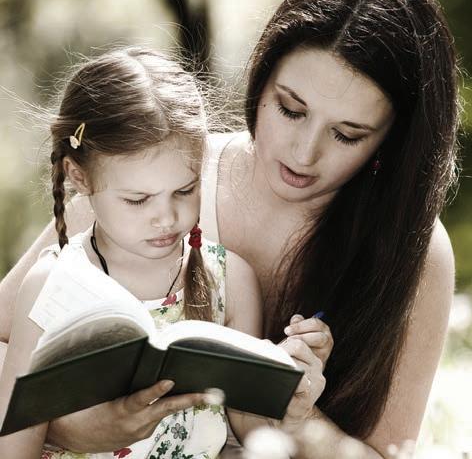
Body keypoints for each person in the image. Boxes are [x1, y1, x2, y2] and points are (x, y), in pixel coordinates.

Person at [0, 0, 459, 456]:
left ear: (392, 141)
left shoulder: (413, 251)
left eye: (346, 134)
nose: (304, 153)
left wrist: (297, 414)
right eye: (290, 109)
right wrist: (81, 429)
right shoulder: (147, 172)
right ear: (260, 81)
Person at [0, 47, 324, 458]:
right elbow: (13, 446)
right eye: (138, 200)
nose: (167, 218)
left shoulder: (231, 281)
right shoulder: (49, 289)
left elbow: (246, 426)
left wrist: (291, 398)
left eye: (184, 190)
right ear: (79, 177)